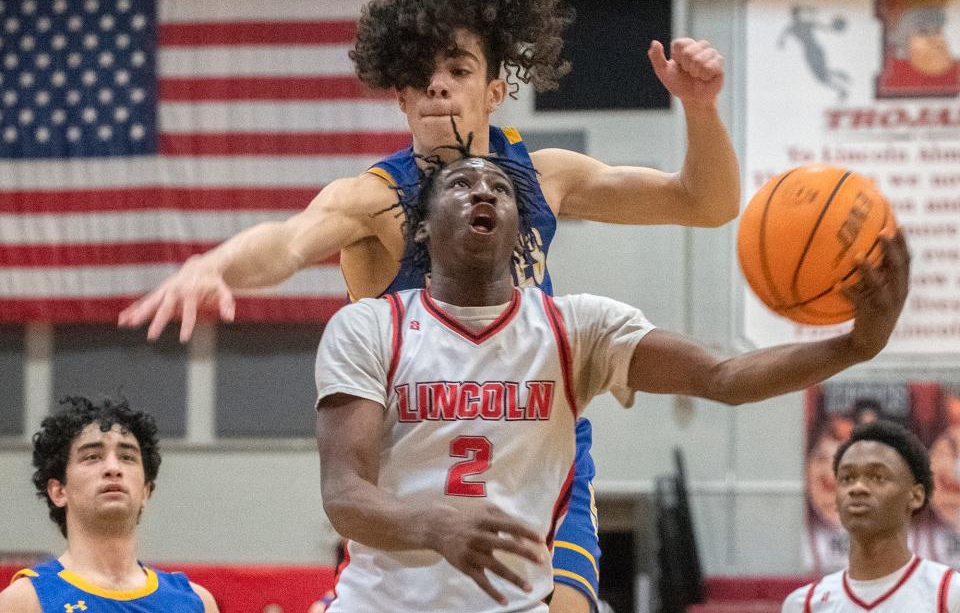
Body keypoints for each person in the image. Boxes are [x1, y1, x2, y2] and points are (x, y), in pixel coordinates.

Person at [118, 0, 738, 613]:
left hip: (538, 458)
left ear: (496, 89)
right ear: (401, 98)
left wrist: (702, 110)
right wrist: (216, 266)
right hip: (412, 476)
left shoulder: (545, 176)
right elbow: (289, 241)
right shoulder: (376, 196)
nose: (438, 83)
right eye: (420, 73)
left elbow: (704, 203)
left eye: (458, 67)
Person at [314, 152, 909, 613]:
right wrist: (431, 522)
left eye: (500, 188)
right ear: (421, 230)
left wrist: (857, 344)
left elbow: (722, 377)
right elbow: (345, 494)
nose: (484, 191)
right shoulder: (370, 327)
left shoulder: (577, 327)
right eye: (462, 183)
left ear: (521, 229)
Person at [0, 397, 218, 613]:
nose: (113, 468)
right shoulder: (25, 601)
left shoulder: (196, 602)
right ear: (58, 491)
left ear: (145, 490)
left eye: (127, 457)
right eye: (93, 456)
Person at [783, 420, 960, 613]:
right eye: (847, 478)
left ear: (916, 496)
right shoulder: (804, 605)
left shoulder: (949, 594)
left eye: (878, 477)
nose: (857, 488)